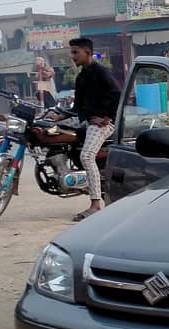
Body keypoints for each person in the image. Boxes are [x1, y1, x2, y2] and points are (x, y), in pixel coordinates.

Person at [59, 38, 121, 221]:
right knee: (51, 131)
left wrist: (107, 117)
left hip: (102, 123)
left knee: (86, 156)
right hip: (86, 120)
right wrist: (58, 117)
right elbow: (76, 107)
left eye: (75, 52)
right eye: (71, 52)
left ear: (87, 52)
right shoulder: (81, 77)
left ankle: (95, 204)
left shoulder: (102, 73)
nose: (73, 56)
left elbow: (118, 94)